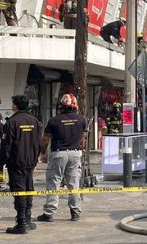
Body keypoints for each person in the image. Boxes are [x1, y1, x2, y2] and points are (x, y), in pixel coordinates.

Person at [38, 93, 86, 223]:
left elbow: (46, 139)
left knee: (53, 183)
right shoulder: (82, 119)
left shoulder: (54, 120)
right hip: (75, 153)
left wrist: (43, 153)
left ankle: (49, 213)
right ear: (75, 106)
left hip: (58, 154)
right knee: (74, 183)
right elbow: (83, 138)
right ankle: (75, 212)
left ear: (61, 106)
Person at [0, 94, 42, 234]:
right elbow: (38, 143)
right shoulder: (35, 121)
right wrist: (35, 159)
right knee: (29, 189)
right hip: (30, 162)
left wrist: (1, 163)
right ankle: (28, 220)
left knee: (19, 191)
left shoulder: (11, 122)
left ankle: (21, 222)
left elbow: (6, 146)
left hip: (16, 163)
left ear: (15, 106)